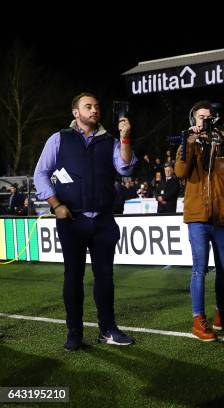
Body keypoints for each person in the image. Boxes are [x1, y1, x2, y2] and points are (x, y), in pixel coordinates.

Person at [33, 92, 137, 351]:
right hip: (72, 220)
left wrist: (125, 138)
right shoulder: (59, 138)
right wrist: (56, 205)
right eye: (87, 106)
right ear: (75, 113)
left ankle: (108, 330)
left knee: (105, 278)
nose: (94, 110)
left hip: (103, 220)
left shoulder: (111, 140)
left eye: (96, 106)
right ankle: (74, 332)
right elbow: (40, 174)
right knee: (73, 278)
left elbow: (125, 168)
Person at [175, 100, 224, 342]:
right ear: (193, 120)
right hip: (198, 216)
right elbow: (180, 172)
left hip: (222, 216)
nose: (205, 121)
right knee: (199, 269)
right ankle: (199, 319)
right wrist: (190, 143)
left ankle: (222, 316)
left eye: (209, 117)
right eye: (201, 117)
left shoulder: (223, 144)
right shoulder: (189, 142)